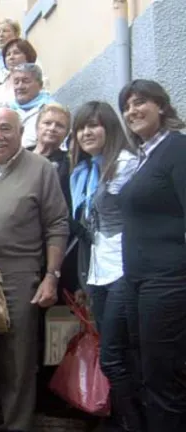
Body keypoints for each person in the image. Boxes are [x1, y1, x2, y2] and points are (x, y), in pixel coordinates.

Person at [0, 108, 68, 432]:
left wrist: (51, 276)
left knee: (17, 359)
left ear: (21, 133)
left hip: (20, 275)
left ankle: (17, 425)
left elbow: (58, 225)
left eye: (6, 129)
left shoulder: (42, 169)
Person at [68, 101, 142, 432]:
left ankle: (132, 423)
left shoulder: (124, 165)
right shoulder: (84, 173)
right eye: (81, 127)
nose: (86, 132)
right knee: (112, 352)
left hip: (125, 268)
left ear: (110, 129)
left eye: (93, 125)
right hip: (99, 272)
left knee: (116, 354)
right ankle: (120, 418)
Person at [118, 79, 186, 432]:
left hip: (169, 280)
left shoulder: (176, 148)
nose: (132, 110)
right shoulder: (144, 158)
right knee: (146, 372)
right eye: (127, 106)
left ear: (161, 106)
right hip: (138, 281)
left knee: (165, 379)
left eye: (140, 101)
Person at [0, 36, 38, 129]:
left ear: (28, 56)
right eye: (8, 54)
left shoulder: (35, 81)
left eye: (16, 53)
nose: (11, 57)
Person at [35, 103, 72, 203]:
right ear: (37, 126)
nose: (52, 128)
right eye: (47, 123)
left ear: (66, 133)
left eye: (59, 126)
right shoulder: (20, 155)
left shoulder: (68, 163)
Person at [11, 63, 52, 149]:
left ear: (40, 85)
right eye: (16, 82)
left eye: (25, 81)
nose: (20, 86)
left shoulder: (51, 110)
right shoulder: (7, 109)